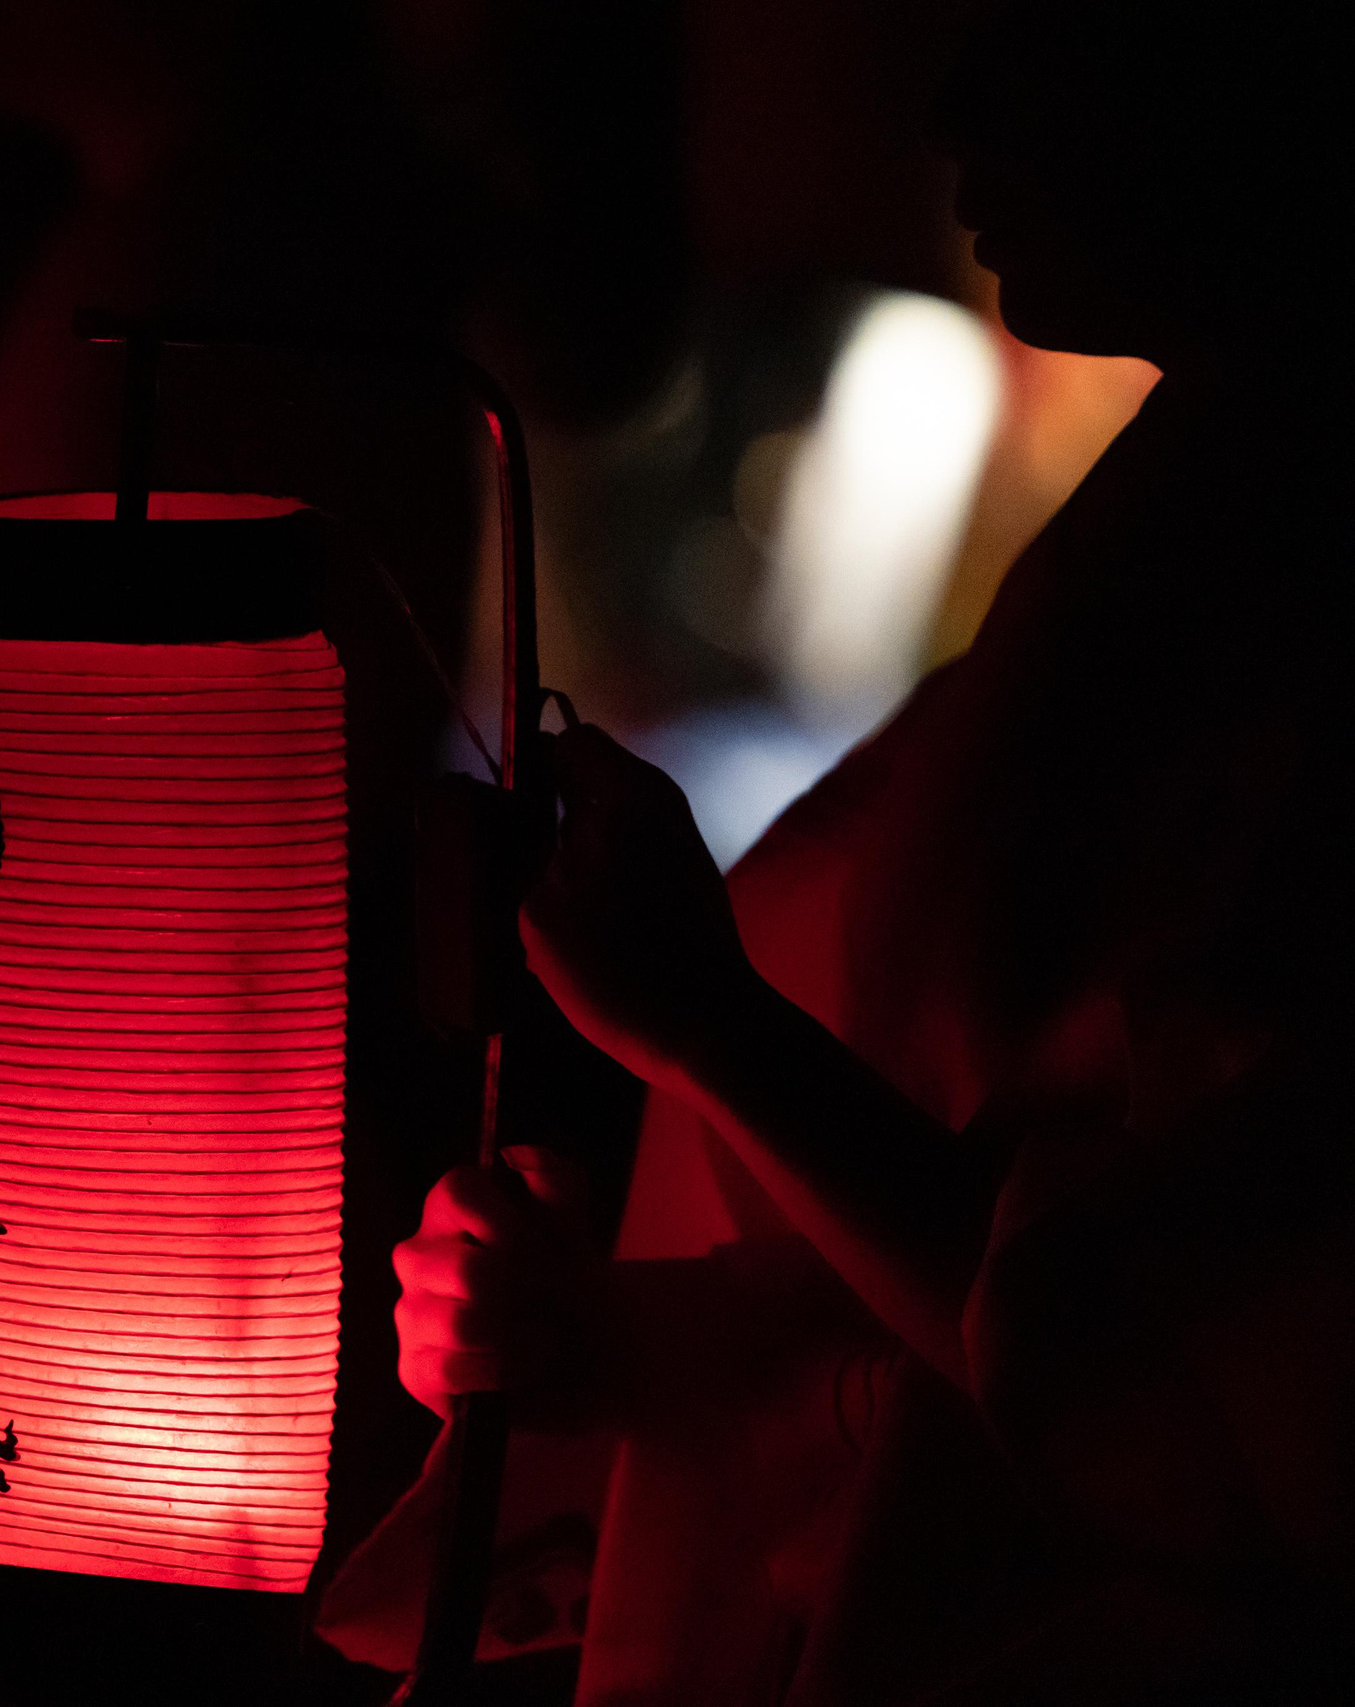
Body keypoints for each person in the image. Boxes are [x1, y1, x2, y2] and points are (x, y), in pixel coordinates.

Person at [330, 1, 1355, 1700]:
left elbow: (1196, 1381)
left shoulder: (1279, 601)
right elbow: (980, 1281)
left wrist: (708, 1030)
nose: (950, 102)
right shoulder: (1181, 523)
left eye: (1037, 30)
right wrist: (642, 1344)